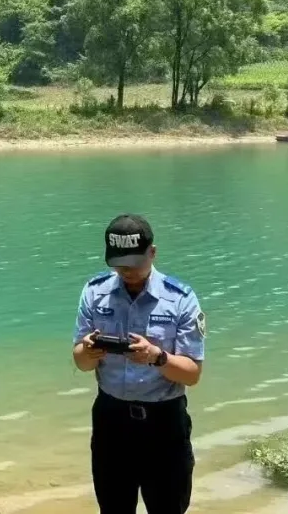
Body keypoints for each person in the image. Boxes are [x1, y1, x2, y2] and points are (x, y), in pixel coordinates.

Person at [72, 213, 206, 514]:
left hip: (164, 424)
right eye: (119, 263)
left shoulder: (180, 299)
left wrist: (156, 357)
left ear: (152, 253)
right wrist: (88, 351)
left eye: (134, 262)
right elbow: (80, 362)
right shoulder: (95, 292)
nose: (127, 270)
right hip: (111, 421)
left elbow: (193, 374)